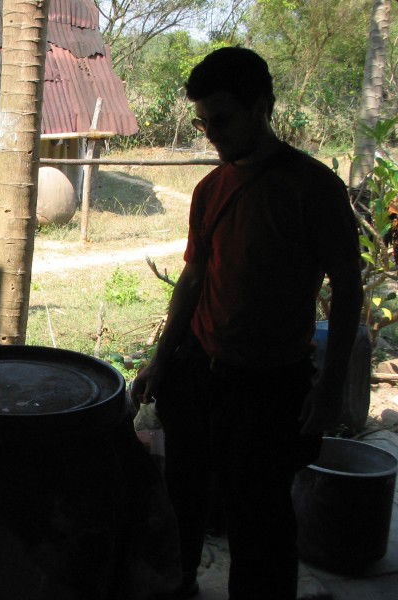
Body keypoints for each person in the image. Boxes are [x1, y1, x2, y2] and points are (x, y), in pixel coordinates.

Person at [131, 47, 363, 600]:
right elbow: (191, 280)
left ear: (261, 107)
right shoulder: (211, 189)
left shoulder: (313, 189)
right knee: (184, 496)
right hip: (198, 370)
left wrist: (329, 389)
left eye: (223, 119)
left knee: (259, 522)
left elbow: (348, 290)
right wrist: (161, 361)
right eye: (203, 122)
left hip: (268, 385)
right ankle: (180, 583)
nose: (210, 134)